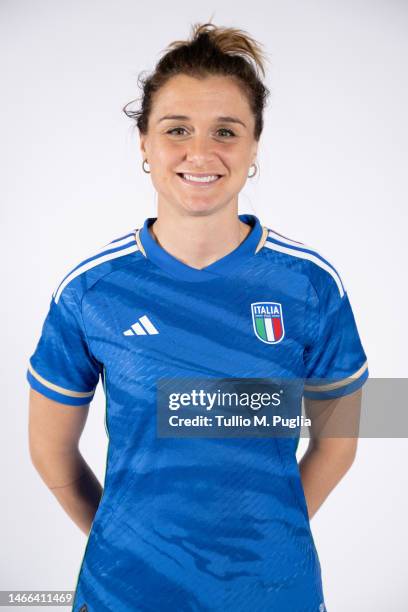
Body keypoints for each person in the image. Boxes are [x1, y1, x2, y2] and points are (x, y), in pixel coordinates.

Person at [27, 22, 369, 612]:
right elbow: (49, 451)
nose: (201, 153)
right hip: (124, 595)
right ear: (144, 143)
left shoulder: (311, 284)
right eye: (176, 129)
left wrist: (265, 538)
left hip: (273, 593)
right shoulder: (89, 290)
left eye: (226, 131)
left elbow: (341, 441)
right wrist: (132, 544)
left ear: (255, 145)